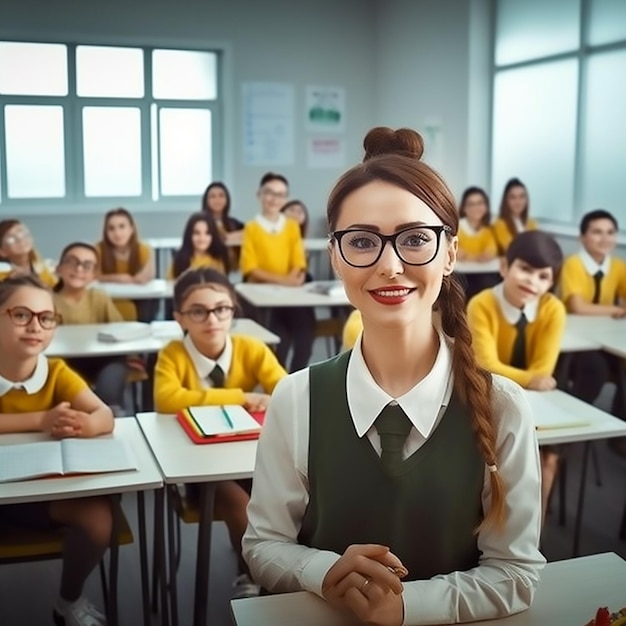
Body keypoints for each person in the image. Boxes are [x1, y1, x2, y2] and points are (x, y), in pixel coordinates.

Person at [243, 127, 544, 626]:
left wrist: (406, 606)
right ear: (335, 256)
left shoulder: (501, 405)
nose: (390, 265)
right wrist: (324, 570)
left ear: (449, 253)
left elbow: (515, 571)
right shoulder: (298, 398)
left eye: (415, 240)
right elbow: (264, 544)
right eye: (361, 241)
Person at [153, 267, 286, 598]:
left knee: (284, 498)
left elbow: (285, 389)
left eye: (221, 308)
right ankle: (250, 575)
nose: (211, 319)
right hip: (198, 468)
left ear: (233, 311)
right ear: (180, 317)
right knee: (240, 504)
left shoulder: (251, 348)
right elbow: (166, 399)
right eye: (198, 311)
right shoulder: (174, 353)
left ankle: (279, 567)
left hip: (251, 458)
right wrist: (242, 397)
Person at [0, 275, 114, 626]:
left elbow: (104, 414)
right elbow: (44, 421)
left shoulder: (56, 372)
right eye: (21, 315)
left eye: (46, 317)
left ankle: (69, 599)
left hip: (36, 492)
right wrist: (42, 419)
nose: (36, 326)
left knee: (99, 518)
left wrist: (87, 424)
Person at [466, 230, 565, 525]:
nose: (532, 282)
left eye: (543, 277)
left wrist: (534, 379)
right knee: (490, 460)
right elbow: (486, 365)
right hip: (487, 396)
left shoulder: (553, 309)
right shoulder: (482, 304)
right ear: (504, 267)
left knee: (546, 459)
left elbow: (544, 370)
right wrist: (531, 378)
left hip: (538, 405)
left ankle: (533, 537)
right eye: (525, 269)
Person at [239, 173, 315, 372]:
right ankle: (278, 385)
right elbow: (251, 268)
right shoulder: (252, 228)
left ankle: (296, 383)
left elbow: (298, 261)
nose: (274, 199)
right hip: (264, 299)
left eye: (280, 195)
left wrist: (295, 277)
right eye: (269, 193)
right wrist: (284, 281)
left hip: (291, 296)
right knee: (278, 344)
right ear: (259, 195)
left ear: (286, 199)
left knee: (305, 339)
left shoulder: (291, 226)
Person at [559, 209, 626, 418]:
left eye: (610, 232)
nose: (604, 238)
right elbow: (579, 307)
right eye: (597, 232)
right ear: (582, 237)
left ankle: (619, 425)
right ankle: (573, 418)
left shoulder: (618, 266)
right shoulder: (573, 264)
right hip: (575, 339)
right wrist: (617, 310)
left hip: (604, 333)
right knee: (595, 368)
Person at [53, 242, 129, 416]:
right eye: (72, 262)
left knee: (114, 372)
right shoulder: (46, 299)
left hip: (101, 360)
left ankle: (110, 414)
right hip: (61, 363)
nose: (79, 269)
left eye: (87, 265)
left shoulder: (99, 297)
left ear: (94, 274)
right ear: (59, 267)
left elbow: (121, 331)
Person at [95, 208, 156, 322]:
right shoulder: (98, 250)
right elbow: (94, 275)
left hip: (137, 301)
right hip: (108, 300)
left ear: (131, 229)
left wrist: (150, 255)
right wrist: (118, 278)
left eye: (122, 226)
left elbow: (147, 277)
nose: (117, 233)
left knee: (149, 301)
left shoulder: (143, 249)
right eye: (111, 228)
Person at [167, 212, 230, 280]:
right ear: (189, 235)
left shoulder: (218, 258)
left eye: (207, 233)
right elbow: (171, 284)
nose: (202, 238)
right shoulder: (179, 259)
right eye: (197, 233)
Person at [0, 219, 56, 286]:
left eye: (22, 233)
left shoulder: (48, 268)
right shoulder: (2, 275)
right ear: (2, 252)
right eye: (11, 238)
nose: (20, 239)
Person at [201, 182, 244, 268]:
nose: (217, 200)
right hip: (208, 268)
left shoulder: (234, 223)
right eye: (212, 196)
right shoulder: (200, 223)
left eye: (221, 196)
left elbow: (250, 234)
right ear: (206, 200)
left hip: (235, 271)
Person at [492, 178, 538, 254]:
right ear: (506, 200)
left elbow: (538, 248)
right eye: (513, 197)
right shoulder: (500, 224)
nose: (518, 202)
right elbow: (512, 250)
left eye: (522, 197)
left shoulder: (532, 223)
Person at [456, 187, 497, 262]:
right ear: (464, 208)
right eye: (471, 204)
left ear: (486, 206)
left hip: (484, 271)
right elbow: (457, 253)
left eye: (480, 203)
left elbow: (490, 253)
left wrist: (468, 257)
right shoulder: (456, 228)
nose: (476, 207)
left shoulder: (490, 229)